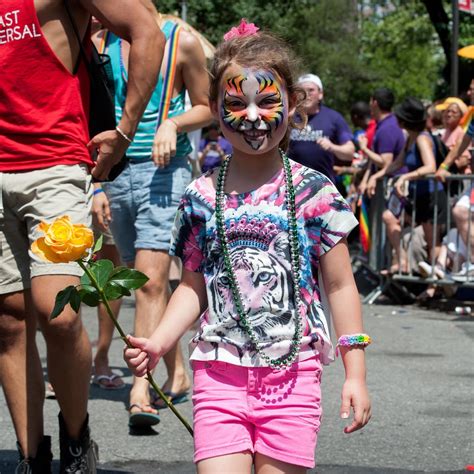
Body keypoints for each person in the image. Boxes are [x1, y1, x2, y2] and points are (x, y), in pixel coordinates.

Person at [124, 23, 371, 473]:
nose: (253, 116)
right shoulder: (199, 196)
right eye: (236, 103)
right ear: (217, 110)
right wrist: (159, 342)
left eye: (268, 100)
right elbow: (192, 286)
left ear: (293, 106)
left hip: (292, 379)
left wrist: (355, 372)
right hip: (218, 376)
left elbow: (339, 286)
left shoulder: (316, 192)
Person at [0, 1, 163, 472]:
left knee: (60, 311)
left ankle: (76, 440)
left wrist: (125, 132)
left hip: (54, 163)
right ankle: (31, 456)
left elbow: (145, 29)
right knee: (9, 321)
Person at [92, 10, 213, 427]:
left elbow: (208, 107)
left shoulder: (182, 39)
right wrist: (94, 185)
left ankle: (140, 388)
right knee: (139, 279)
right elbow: (89, 114)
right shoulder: (100, 40)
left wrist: (174, 122)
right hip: (115, 173)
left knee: (151, 280)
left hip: (166, 171)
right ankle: (177, 372)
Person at [381, 97, 447, 274]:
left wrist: (405, 178)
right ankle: (402, 261)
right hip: (417, 196)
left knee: (432, 241)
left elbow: (430, 166)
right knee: (389, 217)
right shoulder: (411, 138)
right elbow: (396, 164)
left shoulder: (422, 139)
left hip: (431, 195)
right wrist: (374, 177)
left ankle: (434, 286)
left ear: (404, 120)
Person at [288, 73, 355, 183]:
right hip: (292, 185)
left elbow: (350, 153)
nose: (306, 94)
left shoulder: (334, 118)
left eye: (311, 90)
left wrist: (332, 147)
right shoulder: (288, 117)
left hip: (323, 187)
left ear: (320, 94)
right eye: (302, 91)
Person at [358, 88, 406, 197]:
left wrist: (364, 148)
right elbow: (374, 159)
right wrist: (365, 180)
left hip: (392, 187)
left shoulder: (387, 128)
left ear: (375, 103)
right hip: (382, 184)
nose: (369, 105)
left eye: (370, 101)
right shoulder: (382, 125)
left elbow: (385, 162)